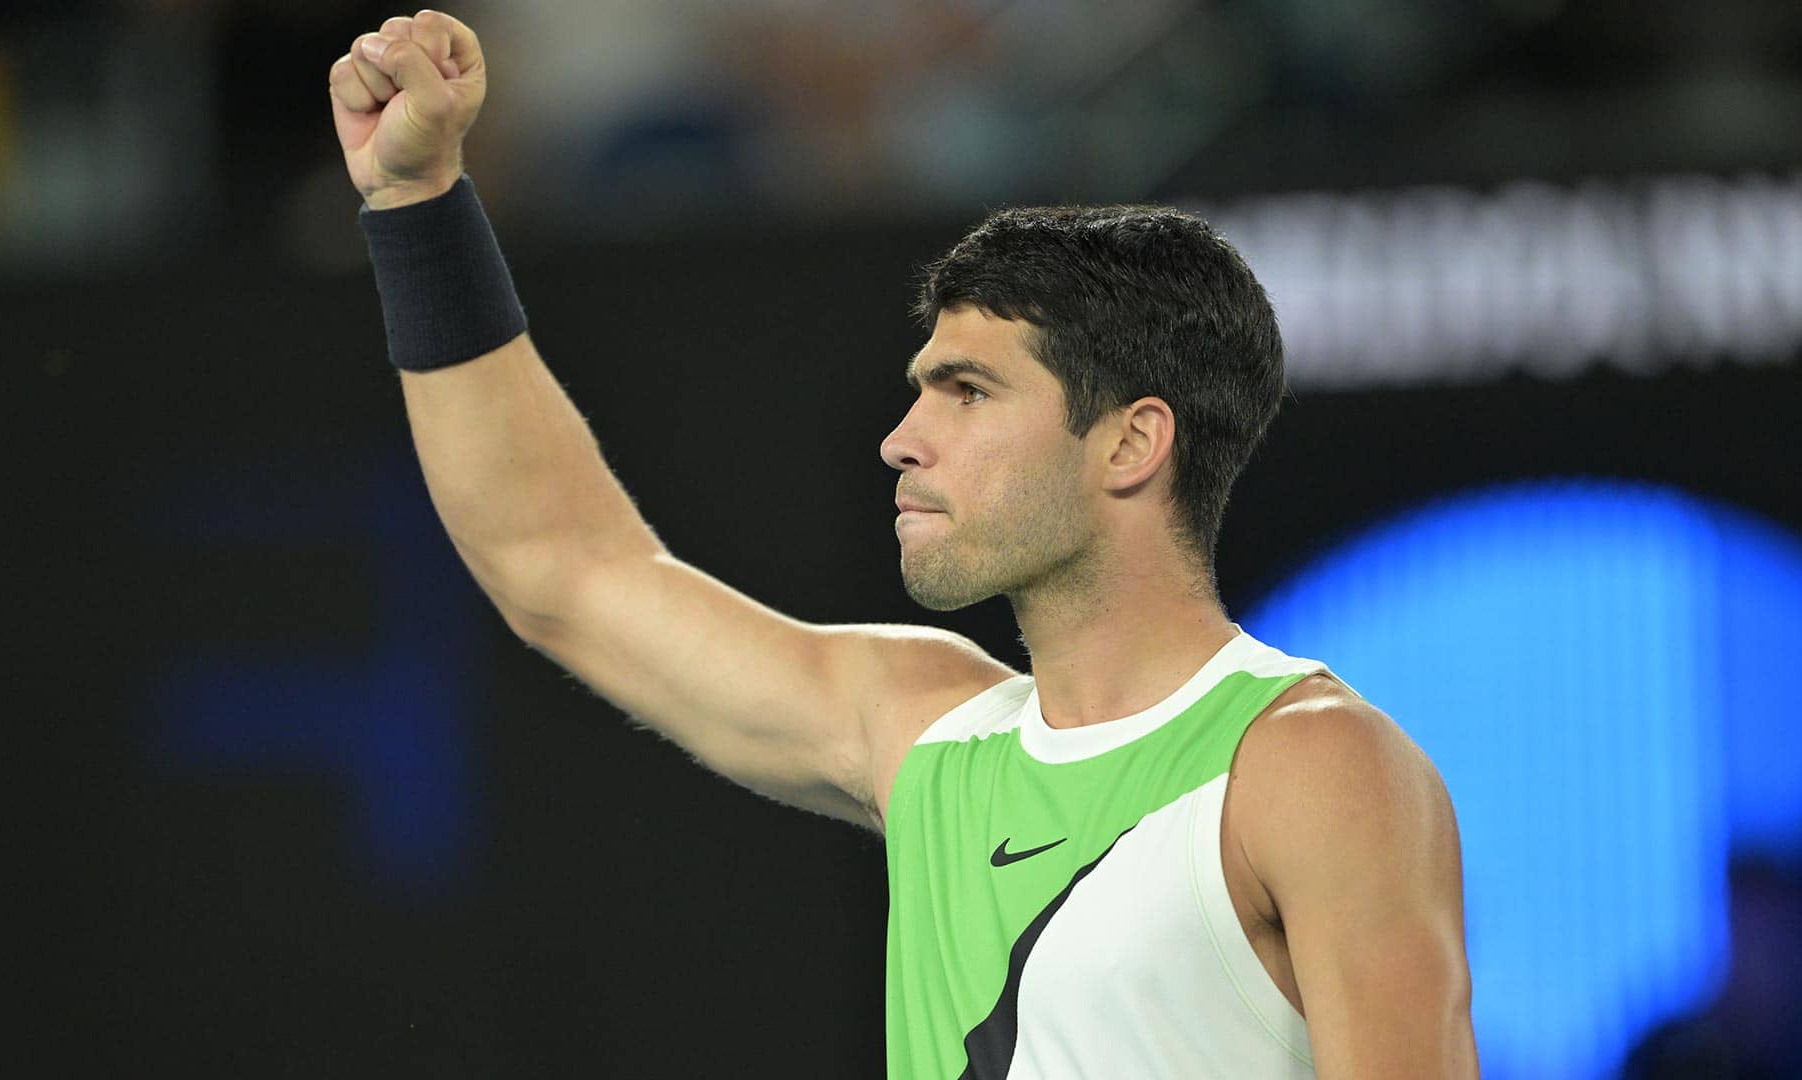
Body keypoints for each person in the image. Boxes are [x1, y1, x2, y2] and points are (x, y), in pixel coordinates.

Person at [329, 11, 1479, 1078]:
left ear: (1131, 445)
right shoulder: (923, 732)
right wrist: (419, 203)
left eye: (968, 393)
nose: (899, 440)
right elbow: (559, 567)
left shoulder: (1314, 769)